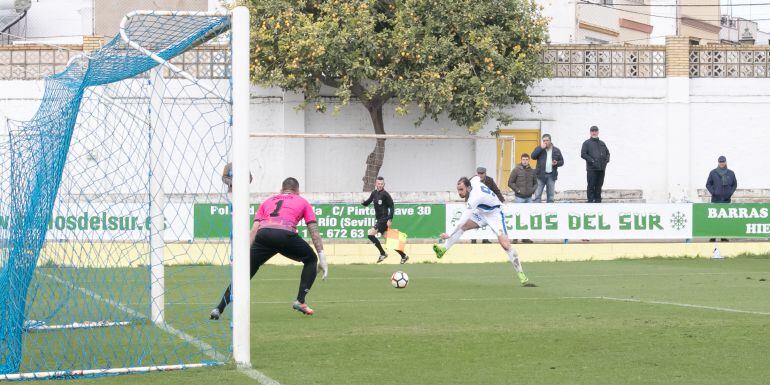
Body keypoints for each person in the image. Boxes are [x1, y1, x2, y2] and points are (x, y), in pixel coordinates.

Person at [210, 177, 328, 319]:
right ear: (298, 191)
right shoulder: (302, 201)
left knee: (244, 274)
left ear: (281, 190)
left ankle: (218, 309)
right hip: (285, 235)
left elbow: (253, 231)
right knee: (311, 259)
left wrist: (241, 255)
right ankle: (300, 300)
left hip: (264, 236)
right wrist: (322, 257)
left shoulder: (268, 201)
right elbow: (313, 230)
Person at [432, 176, 536, 287]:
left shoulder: (474, 198)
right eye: (458, 190)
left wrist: (449, 234)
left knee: (505, 245)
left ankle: (521, 274)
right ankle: (443, 249)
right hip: (481, 213)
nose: (459, 193)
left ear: (468, 188)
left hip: (495, 213)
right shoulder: (473, 182)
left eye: (461, 190)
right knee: (464, 227)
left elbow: (462, 220)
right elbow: (476, 177)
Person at [362, 176, 409, 264]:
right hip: (379, 219)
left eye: (381, 184)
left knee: (370, 234)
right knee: (390, 240)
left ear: (384, 184)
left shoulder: (385, 194)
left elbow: (392, 206)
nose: (380, 185)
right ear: (376, 184)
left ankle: (383, 253)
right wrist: (363, 202)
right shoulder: (374, 193)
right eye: (378, 184)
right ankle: (404, 256)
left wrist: (390, 219)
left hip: (384, 219)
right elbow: (367, 202)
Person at [508, 153, 538, 244]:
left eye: (526, 159)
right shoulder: (516, 170)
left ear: (529, 160)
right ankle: (515, 238)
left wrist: (532, 190)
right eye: (523, 159)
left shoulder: (532, 171)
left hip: (529, 198)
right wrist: (518, 190)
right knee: (518, 218)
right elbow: (510, 182)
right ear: (521, 160)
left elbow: (536, 183)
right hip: (519, 198)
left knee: (527, 218)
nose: (525, 161)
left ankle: (526, 238)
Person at [706, 155, 737, 243]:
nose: (722, 163)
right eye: (720, 162)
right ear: (718, 162)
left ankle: (724, 237)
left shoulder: (731, 173)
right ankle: (713, 237)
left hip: (726, 200)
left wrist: (730, 192)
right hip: (715, 200)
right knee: (714, 220)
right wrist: (714, 192)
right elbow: (708, 184)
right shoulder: (713, 173)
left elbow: (734, 184)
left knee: (725, 220)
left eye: (723, 162)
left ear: (725, 162)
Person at [472, 167, 504, 244]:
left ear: (485, 173)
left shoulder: (490, 180)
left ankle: (485, 239)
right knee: (474, 222)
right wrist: (467, 201)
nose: (480, 175)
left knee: (486, 222)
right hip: (475, 204)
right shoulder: (472, 180)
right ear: (476, 173)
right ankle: (473, 239)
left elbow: (496, 191)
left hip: (486, 206)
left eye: (482, 173)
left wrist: (501, 200)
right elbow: (467, 190)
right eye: (479, 173)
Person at [530, 134, 564, 203]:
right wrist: (540, 148)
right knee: (537, 196)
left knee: (551, 197)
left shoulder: (556, 150)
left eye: (547, 140)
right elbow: (533, 156)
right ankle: (537, 212)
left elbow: (562, 162)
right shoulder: (540, 149)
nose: (545, 142)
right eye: (544, 140)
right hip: (540, 176)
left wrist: (556, 163)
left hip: (551, 176)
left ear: (550, 141)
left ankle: (549, 212)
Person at [580, 126, 610, 203]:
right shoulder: (586, 143)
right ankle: (590, 201)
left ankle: (598, 200)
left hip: (601, 168)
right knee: (591, 185)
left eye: (595, 131)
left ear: (598, 132)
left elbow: (608, 153)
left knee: (599, 185)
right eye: (592, 131)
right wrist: (592, 161)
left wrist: (606, 161)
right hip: (592, 169)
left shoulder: (602, 143)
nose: (594, 132)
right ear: (590, 132)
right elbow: (583, 154)